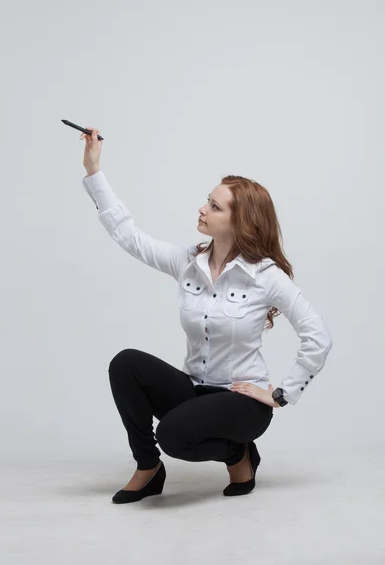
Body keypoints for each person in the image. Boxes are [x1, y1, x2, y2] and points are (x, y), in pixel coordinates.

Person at [79, 127, 333, 504]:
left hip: (241, 400)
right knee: (126, 364)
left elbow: (318, 336)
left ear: (240, 221)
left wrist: (281, 394)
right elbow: (129, 236)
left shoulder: (266, 276)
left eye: (215, 206)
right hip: (194, 389)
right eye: (207, 201)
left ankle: (238, 453)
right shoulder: (188, 263)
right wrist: (94, 170)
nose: (202, 209)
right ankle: (148, 466)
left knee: (174, 435)